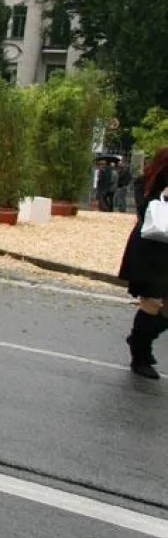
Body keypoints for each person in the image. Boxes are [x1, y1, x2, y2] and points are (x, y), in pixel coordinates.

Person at [118, 147, 168, 379]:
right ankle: (140, 355)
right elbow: (144, 211)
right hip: (151, 252)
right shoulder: (146, 183)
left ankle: (138, 339)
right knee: (151, 302)